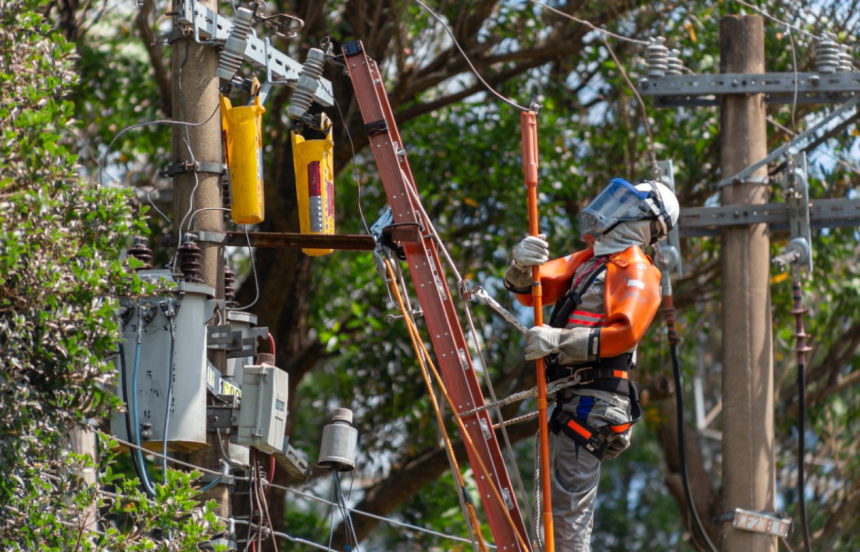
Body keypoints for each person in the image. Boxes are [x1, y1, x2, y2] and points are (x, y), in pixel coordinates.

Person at [504, 177, 680, 551]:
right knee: (548, 514)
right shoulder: (591, 261)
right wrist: (521, 264)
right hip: (568, 396)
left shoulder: (638, 269)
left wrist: (557, 339)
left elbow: (624, 332)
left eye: (624, 202)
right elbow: (530, 290)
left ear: (643, 220)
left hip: (592, 402)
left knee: (567, 518)